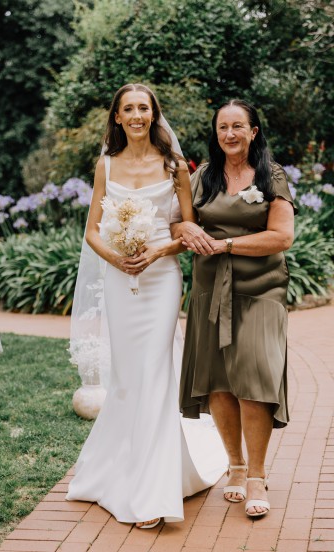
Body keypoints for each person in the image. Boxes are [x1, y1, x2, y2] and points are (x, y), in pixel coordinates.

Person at [65, 84, 225, 529]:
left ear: (154, 115)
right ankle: (118, 469)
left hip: (160, 278)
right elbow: (92, 229)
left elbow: (186, 225)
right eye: (128, 109)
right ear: (117, 117)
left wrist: (157, 252)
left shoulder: (174, 165)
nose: (137, 115)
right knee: (129, 377)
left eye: (144, 108)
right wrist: (116, 257)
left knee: (156, 372)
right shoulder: (106, 165)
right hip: (121, 278)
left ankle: (153, 492)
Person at [175, 99, 293, 518]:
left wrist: (225, 244)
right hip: (210, 289)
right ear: (216, 132)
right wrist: (187, 227)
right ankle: (236, 467)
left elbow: (281, 237)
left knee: (256, 377)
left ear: (253, 131)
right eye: (223, 127)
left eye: (238, 126)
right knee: (221, 379)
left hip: (260, 290)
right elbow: (179, 221)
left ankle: (258, 475)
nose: (230, 134)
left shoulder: (271, 175)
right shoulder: (203, 175)